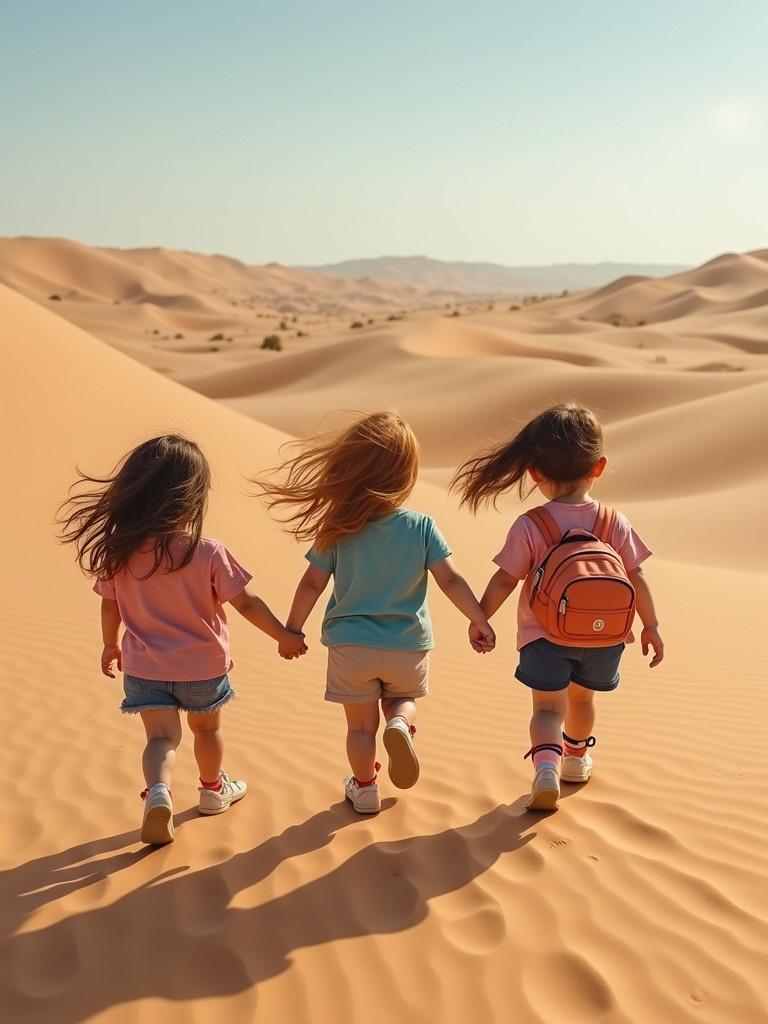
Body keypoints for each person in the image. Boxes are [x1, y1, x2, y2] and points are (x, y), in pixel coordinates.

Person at [59, 434, 306, 845]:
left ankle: (158, 792)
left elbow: (110, 605)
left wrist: (109, 643)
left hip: (144, 668)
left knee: (160, 738)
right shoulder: (207, 552)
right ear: (191, 499)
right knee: (206, 732)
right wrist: (284, 635)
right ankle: (212, 791)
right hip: (202, 668)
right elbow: (245, 604)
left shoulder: (120, 553)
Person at [255, 412, 495, 814]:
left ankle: (365, 789)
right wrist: (479, 618)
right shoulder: (421, 526)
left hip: (352, 648)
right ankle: (401, 724)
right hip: (406, 644)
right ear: (406, 476)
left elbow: (311, 583)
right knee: (401, 700)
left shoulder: (338, 526)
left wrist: (291, 630)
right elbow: (451, 580)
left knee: (360, 727)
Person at [452, 403, 664, 810]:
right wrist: (651, 625)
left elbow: (505, 579)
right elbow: (636, 576)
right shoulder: (614, 521)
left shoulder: (532, 524)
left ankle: (546, 766)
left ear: (534, 472)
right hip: (605, 636)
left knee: (548, 706)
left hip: (543, 636)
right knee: (583, 701)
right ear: (599, 467)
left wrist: (480, 616)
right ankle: (576, 758)